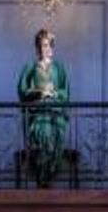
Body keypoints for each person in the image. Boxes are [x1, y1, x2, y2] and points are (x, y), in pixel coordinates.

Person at [17, 28, 70, 187]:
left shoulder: (59, 68)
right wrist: (39, 93)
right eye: (40, 45)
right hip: (38, 116)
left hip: (55, 115)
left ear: (51, 48)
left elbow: (65, 92)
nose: (43, 49)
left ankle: (49, 181)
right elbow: (22, 91)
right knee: (40, 147)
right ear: (36, 47)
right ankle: (41, 181)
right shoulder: (30, 67)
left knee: (54, 148)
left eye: (46, 45)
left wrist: (53, 93)